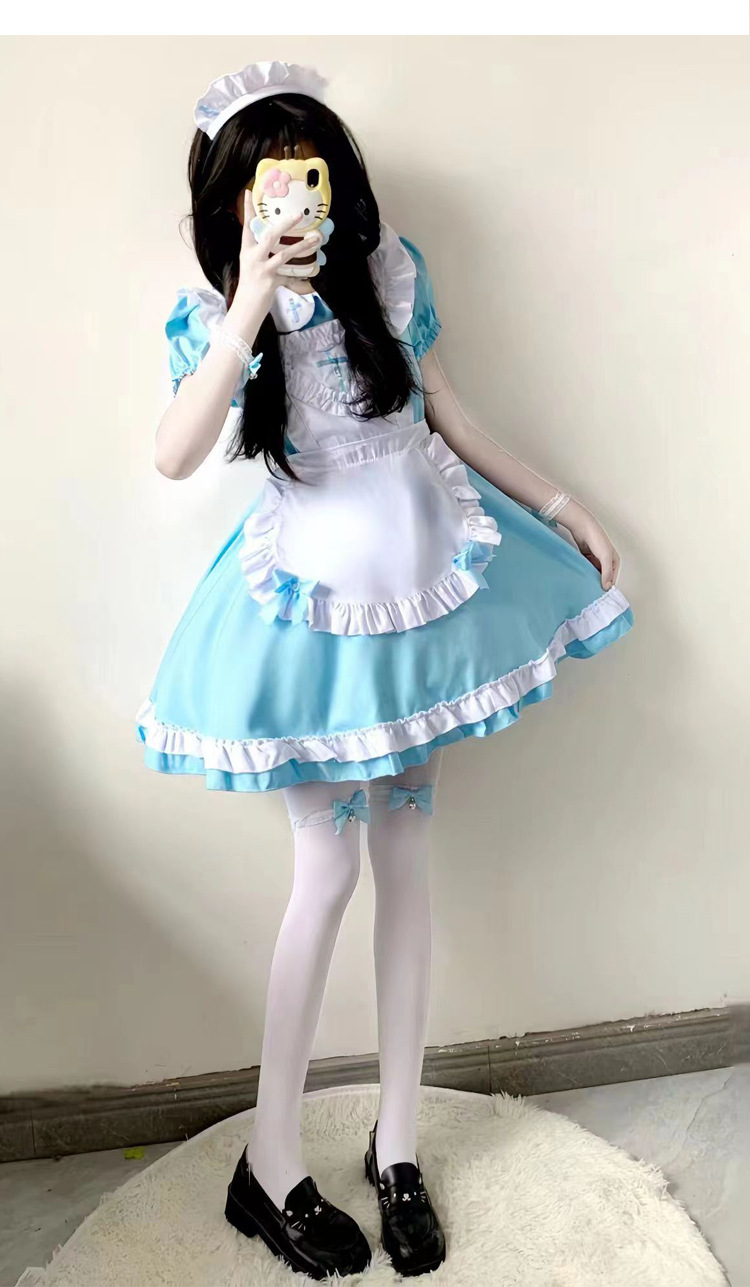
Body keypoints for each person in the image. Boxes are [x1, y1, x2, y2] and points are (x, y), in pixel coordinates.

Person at [135, 59, 634, 1280]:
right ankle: (269, 1164)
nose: (297, 201)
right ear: (232, 202)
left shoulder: (392, 275)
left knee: (407, 862)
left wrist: (561, 503)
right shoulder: (224, 318)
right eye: (268, 185)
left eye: (310, 175)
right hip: (313, 622)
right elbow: (174, 454)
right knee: (326, 874)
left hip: (425, 605)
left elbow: (448, 413)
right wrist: (251, 302)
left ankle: (396, 1146)